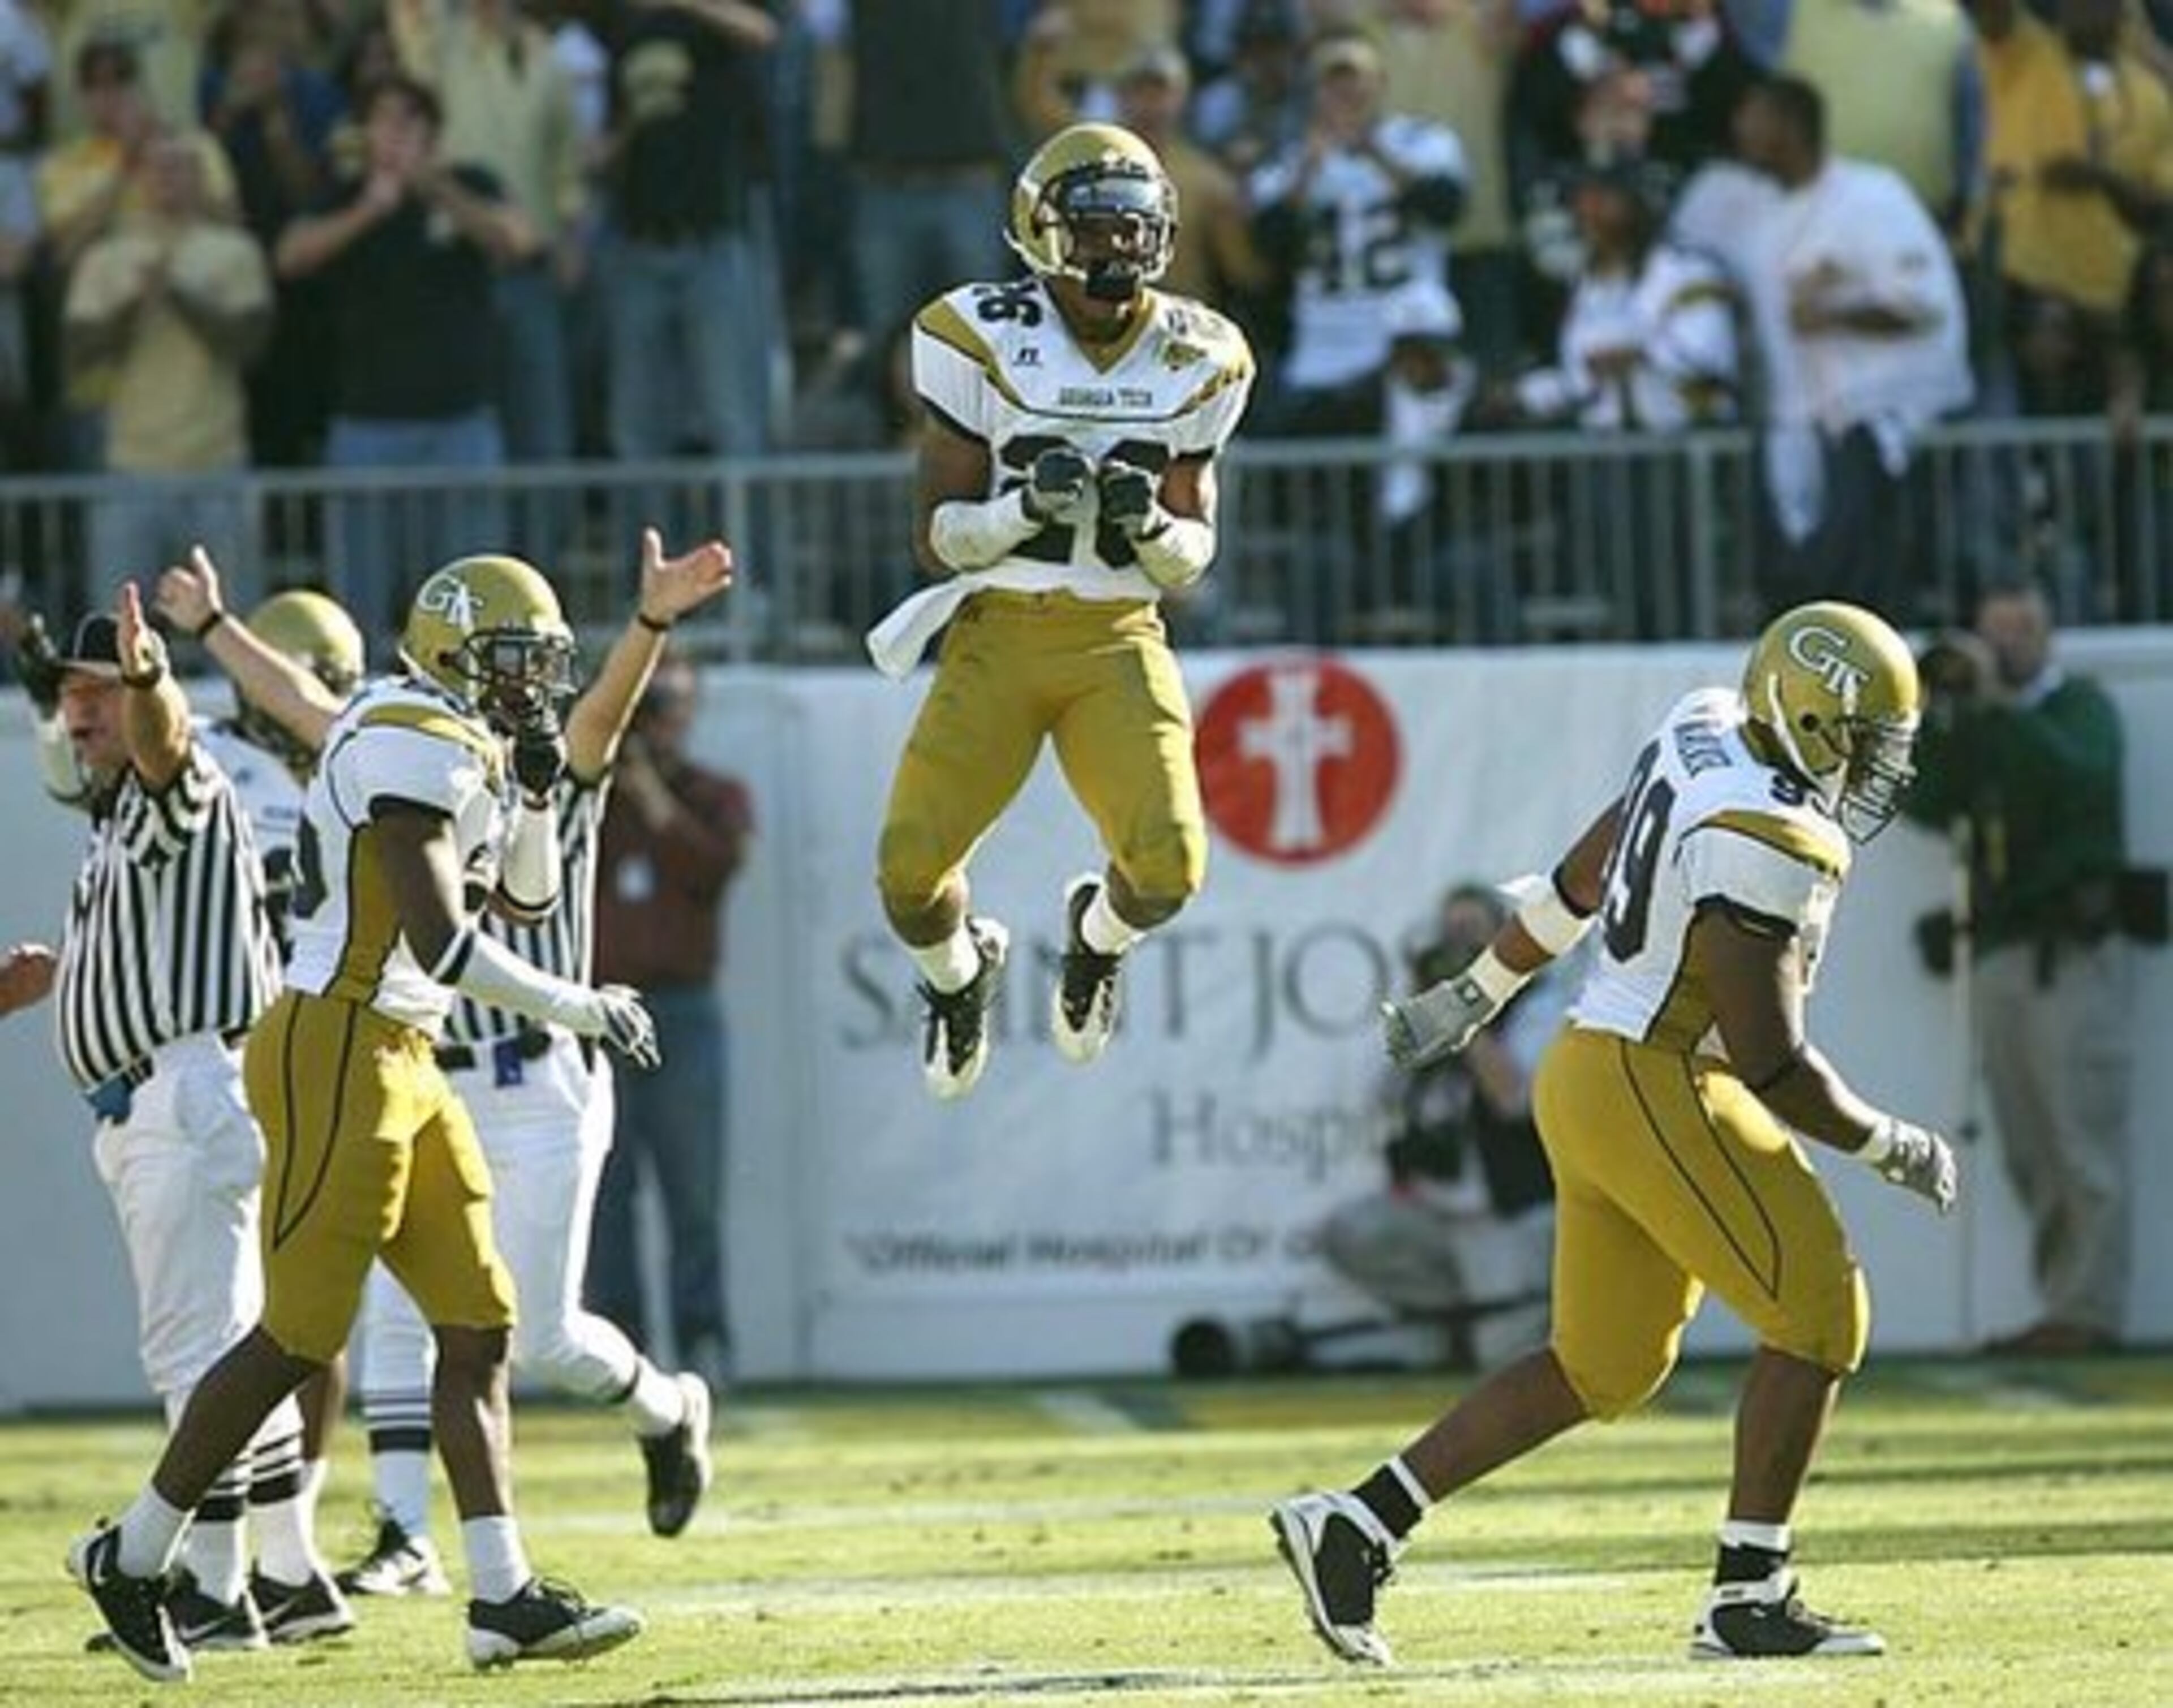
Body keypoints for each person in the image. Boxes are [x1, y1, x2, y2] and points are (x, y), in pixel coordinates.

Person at [1270, 600, 1960, 1666]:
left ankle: (1359, 1523)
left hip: (1587, 1072)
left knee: (1606, 1362)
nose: (1875, 769)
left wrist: (1482, 985)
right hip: (1662, 1077)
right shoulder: (1774, 833)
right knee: (1823, 1311)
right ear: (1811, 716)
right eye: (1865, 741)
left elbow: (1577, 881)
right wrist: (1886, 1142)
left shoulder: (1707, 721)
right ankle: (1747, 1594)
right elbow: (1768, 1056)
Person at [68, 553, 655, 1684]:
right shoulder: (403, 736)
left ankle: (502, 1598)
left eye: (540, 665)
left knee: (479, 1324)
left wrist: (536, 786)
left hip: (404, 1049)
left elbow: (527, 897)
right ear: (452, 655)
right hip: (339, 1038)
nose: (531, 684)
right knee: (297, 1335)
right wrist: (581, 1001)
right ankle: (134, 1553)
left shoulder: (463, 742)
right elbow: (440, 936)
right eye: (514, 662)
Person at [156, 531, 731, 1600]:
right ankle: (407, 1534)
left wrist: (649, 622)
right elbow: (310, 709)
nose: (532, 690)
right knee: (397, 1310)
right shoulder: (426, 748)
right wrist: (212, 629)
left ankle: (665, 1406)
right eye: (513, 666)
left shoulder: (545, 765)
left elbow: (595, 717)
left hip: (538, 1069)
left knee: (541, 1333)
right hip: (420, 1053)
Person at [865, 121, 1255, 1099]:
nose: (1115, 251)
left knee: (1166, 871)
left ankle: (1095, 934)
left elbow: (1192, 553)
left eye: (1133, 231)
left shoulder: (1200, 351)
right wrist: (1020, 510)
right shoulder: (980, 332)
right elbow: (935, 535)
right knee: (910, 876)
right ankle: (963, 976)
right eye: (1093, 228)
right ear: (1039, 231)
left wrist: (1149, 532)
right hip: (998, 628)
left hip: (1115, 638)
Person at [12, 588, 346, 1656]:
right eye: (69, 694)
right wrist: (60, 980)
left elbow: (164, 746)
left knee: (194, 1353)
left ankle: (210, 1585)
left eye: (93, 694)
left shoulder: (172, 779)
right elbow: (157, 960)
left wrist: (151, 682)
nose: (78, 715)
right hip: (181, 1088)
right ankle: (289, 1571)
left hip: (185, 1094)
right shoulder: (122, 817)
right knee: (238, 1336)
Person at [1904, 579, 2131, 1356]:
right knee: (2028, 1141)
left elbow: (2070, 779)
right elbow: (1928, 798)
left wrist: (1999, 701)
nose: (2009, 646)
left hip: (2069, 955)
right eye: (1996, 632)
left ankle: (2088, 1308)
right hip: (2002, 955)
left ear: (2050, 633)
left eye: (2024, 629)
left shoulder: (2081, 710)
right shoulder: (1984, 724)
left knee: (2081, 1137)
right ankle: (2062, 1305)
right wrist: (1937, 710)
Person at [1725, 74, 1972, 621]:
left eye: (1753, 119)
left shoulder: (1871, 195)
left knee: (1860, 588)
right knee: (1796, 582)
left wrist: (1835, 310)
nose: (1740, 132)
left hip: (1875, 420)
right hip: (1800, 424)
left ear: (1789, 126)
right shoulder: (1765, 219)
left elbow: (1922, 304)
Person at [586, 654, 754, 1389]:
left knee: (694, 1192)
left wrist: (653, 794)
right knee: (604, 1192)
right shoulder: (588, 801)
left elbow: (715, 869)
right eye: (646, 703)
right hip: (601, 1015)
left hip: (683, 1011)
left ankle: (703, 1339)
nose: (656, 718)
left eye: (668, 703)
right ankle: (620, 1355)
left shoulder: (714, 793)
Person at [1322, 882, 1562, 1372]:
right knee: (1351, 1232)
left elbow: (1514, 1101)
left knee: (1502, 1361)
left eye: (1473, 935)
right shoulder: (1432, 1009)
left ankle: (1494, 1311)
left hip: (1509, 1214)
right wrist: (1428, 1010)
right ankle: (1448, 1318)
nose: (1460, 949)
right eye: (1451, 935)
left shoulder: (1539, 1005)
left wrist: (1469, 1016)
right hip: (1441, 1213)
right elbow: (1381, 1098)